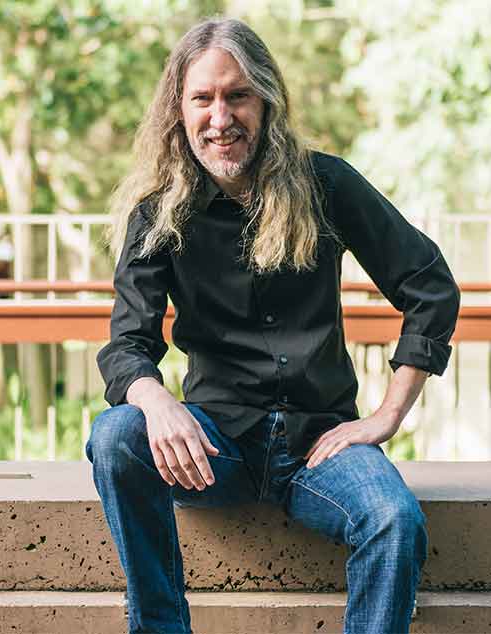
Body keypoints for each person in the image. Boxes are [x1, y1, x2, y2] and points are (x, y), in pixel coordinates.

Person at [85, 16, 460, 634]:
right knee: (117, 434)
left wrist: (387, 416)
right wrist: (156, 401)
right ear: (179, 111)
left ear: (266, 100)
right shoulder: (158, 214)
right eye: (202, 99)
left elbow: (430, 286)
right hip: (218, 448)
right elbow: (128, 342)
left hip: (321, 447)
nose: (221, 117)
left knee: (394, 520)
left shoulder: (326, 185)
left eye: (237, 95)